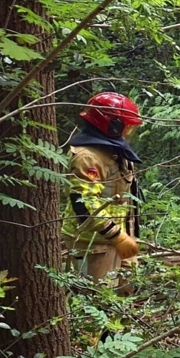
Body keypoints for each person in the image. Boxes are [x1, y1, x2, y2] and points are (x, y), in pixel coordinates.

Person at [62, 92, 143, 284]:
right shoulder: (87, 157)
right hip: (93, 242)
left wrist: (125, 236)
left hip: (117, 238)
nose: (128, 133)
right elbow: (84, 204)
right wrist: (117, 236)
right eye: (126, 127)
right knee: (98, 300)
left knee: (125, 296)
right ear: (112, 125)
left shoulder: (115, 153)